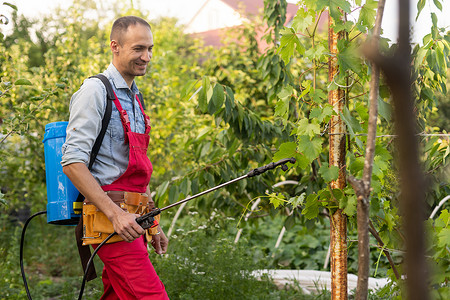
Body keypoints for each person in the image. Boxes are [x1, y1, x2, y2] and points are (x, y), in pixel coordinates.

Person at [61, 16, 169, 299]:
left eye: (150, 49)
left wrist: (153, 222)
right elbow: (72, 162)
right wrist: (115, 214)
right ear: (115, 46)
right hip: (110, 221)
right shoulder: (95, 91)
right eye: (138, 49)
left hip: (134, 221)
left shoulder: (136, 99)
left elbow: (138, 172)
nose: (146, 57)